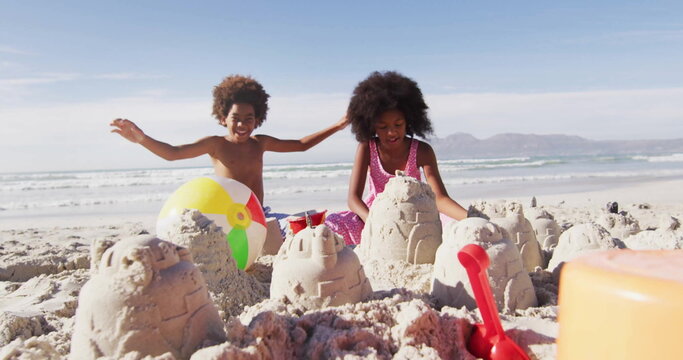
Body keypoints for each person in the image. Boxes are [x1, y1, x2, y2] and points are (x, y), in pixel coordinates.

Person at [111, 74, 348, 210]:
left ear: (258, 120)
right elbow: (173, 153)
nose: (242, 125)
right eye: (236, 118)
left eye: (249, 119)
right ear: (223, 118)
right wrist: (141, 139)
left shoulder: (260, 143)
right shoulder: (215, 144)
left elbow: (302, 144)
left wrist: (337, 126)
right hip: (225, 216)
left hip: (257, 214)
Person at [325, 71, 467, 245]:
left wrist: (471, 217)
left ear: (409, 120)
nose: (391, 132)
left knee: (453, 225)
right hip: (375, 213)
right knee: (335, 224)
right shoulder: (367, 148)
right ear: (371, 126)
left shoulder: (422, 151)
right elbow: (353, 199)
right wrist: (374, 221)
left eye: (398, 125)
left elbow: (439, 198)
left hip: (416, 213)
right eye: (383, 127)